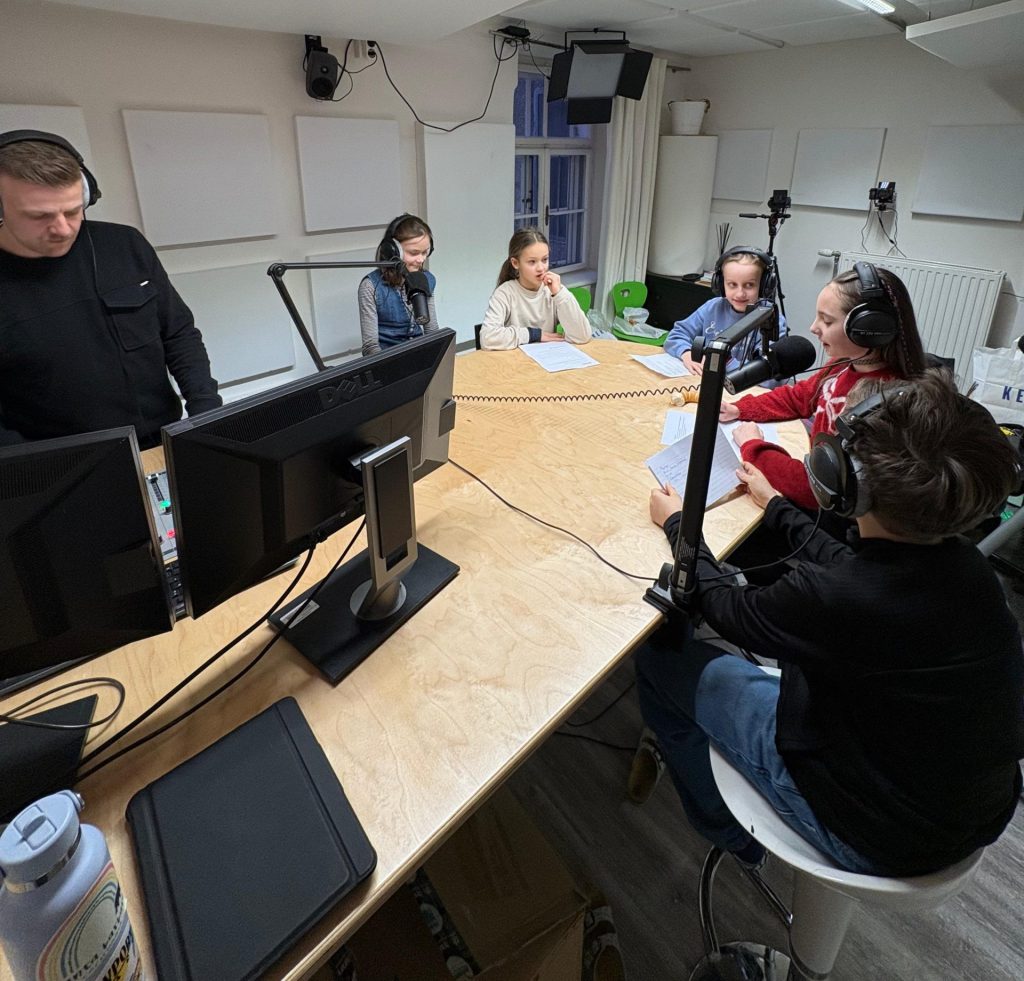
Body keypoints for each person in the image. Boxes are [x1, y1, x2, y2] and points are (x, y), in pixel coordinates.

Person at [639, 369, 1024, 876]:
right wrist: (777, 506)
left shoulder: (834, 597)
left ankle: (730, 833)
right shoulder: (969, 569)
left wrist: (677, 523)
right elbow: (854, 564)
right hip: (963, 812)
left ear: (841, 480)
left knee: (658, 661)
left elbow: (729, 612)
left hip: (871, 833)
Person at [0, 130, 221, 449]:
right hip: (62, 465)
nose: (62, 229)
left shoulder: (125, 245)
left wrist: (207, 413)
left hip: (163, 440)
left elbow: (178, 333)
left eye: (73, 210)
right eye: (39, 216)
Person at [721, 262, 926, 509]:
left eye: (827, 321)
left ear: (869, 330)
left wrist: (753, 447)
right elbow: (799, 397)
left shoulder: (879, 407)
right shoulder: (843, 365)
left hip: (827, 517)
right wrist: (740, 409)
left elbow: (814, 489)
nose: (813, 328)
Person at [664, 247, 788, 376]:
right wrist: (686, 354)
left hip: (745, 390)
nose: (740, 294)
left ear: (764, 286)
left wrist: (724, 360)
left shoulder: (771, 319)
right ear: (720, 284)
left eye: (749, 285)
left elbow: (771, 377)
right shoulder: (712, 307)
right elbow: (676, 335)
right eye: (732, 284)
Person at [478, 227, 591, 350]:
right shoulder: (505, 293)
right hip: (514, 363)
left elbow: (582, 336)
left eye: (545, 260)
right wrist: (534, 335)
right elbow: (487, 338)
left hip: (546, 361)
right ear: (515, 263)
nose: (541, 268)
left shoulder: (553, 291)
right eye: (532, 262)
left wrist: (560, 294)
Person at [357, 213, 439, 357]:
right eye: (414, 253)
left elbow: (431, 331)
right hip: (387, 359)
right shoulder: (370, 286)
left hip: (420, 355)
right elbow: (370, 347)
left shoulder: (427, 279)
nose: (421, 259)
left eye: (425, 252)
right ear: (393, 251)